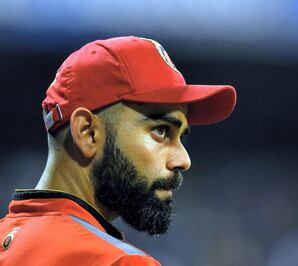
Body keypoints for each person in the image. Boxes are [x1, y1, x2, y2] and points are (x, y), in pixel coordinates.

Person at [0, 36, 236, 265]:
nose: (183, 160)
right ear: (87, 132)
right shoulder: (121, 262)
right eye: (161, 131)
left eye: (180, 137)